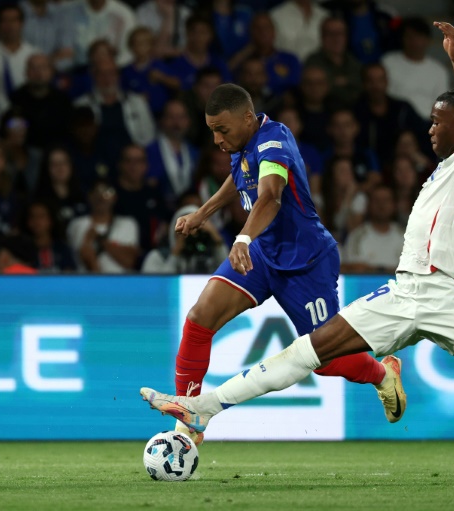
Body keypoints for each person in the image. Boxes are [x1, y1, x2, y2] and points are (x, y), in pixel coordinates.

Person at [141, 22, 454, 485]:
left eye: (439, 122)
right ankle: (205, 408)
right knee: (307, 354)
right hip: (406, 289)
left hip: (447, 294)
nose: (430, 129)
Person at [162, 83, 405, 444]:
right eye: (211, 130)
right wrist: (203, 211)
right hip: (263, 253)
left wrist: (242, 238)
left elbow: (271, 196)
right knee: (200, 319)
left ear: (247, 118)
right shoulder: (244, 143)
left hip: (305, 262)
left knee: (326, 360)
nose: (216, 139)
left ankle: (383, 374)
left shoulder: (273, 142)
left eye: (221, 130)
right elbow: (240, 176)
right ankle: (188, 421)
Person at [141, 200, 229, 274]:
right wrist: (175, 254)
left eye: (195, 229)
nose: (190, 234)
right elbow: (159, 287)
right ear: (174, 230)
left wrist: (217, 240)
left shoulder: (209, 257)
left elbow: (229, 275)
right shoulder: (157, 256)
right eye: (184, 228)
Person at [0, 4, 40, 98]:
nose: (10, 25)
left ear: (22, 23)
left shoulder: (35, 54)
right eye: (5, 21)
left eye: (14, 20)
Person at [340, 185, 404, 274]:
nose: (381, 205)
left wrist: (373, 269)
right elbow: (354, 269)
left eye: (386, 200)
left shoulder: (405, 236)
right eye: (376, 200)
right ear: (368, 205)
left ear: (394, 205)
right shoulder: (357, 236)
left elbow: (412, 272)